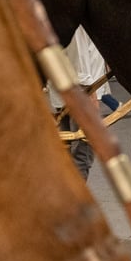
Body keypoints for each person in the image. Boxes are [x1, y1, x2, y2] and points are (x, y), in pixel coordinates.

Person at [47, 26, 111, 178]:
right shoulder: (73, 20)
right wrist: (90, 94)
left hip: (63, 90)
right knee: (82, 154)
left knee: (69, 156)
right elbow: (78, 55)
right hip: (79, 92)